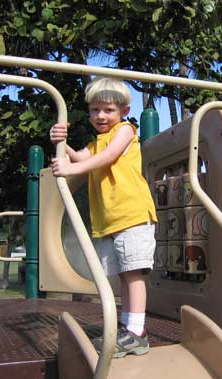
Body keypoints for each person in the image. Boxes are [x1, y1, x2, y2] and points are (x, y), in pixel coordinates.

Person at [49, 77, 157, 358]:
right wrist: (63, 144)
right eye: (95, 110)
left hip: (131, 213)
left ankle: (137, 333)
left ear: (123, 110)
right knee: (122, 275)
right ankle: (127, 329)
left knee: (133, 274)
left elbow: (107, 158)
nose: (100, 116)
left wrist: (71, 170)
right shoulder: (96, 143)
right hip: (112, 220)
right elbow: (79, 157)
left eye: (107, 110)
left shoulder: (125, 131)